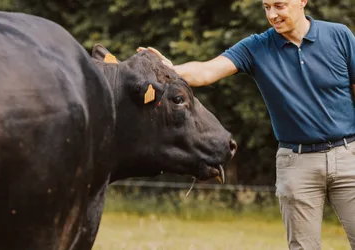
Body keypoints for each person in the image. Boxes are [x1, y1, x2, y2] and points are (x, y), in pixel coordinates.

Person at [138, 0, 355, 249]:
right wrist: (171, 70)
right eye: (266, 7)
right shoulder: (257, 47)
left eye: (279, 6)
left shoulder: (339, 35)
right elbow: (207, 71)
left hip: (349, 155)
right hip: (298, 163)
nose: (272, 15)